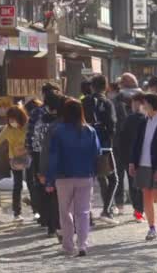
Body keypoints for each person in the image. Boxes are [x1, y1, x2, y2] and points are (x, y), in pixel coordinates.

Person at [46, 99, 101, 257]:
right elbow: (96, 153)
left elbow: (54, 157)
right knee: (83, 212)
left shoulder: (59, 131)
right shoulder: (90, 131)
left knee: (65, 212)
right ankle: (83, 245)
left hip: (63, 176)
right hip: (85, 175)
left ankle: (68, 245)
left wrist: (50, 179)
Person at [129, 94, 157, 241]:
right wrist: (133, 162)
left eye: (146, 104)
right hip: (143, 164)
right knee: (146, 196)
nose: (143, 106)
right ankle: (152, 228)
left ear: (153, 105)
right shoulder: (143, 121)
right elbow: (136, 143)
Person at [82, 75, 119, 224]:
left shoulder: (83, 102)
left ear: (92, 87)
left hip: (85, 145)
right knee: (113, 178)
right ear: (106, 87)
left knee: (88, 180)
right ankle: (106, 210)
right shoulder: (107, 103)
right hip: (103, 146)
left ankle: (88, 215)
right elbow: (112, 125)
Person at [112, 73, 143, 215]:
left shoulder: (116, 99)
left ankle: (119, 205)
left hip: (119, 143)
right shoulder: (142, 97)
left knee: (118, 175)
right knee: (134, 178)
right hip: (137, 144)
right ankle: (138, 210)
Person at [38, 93, 67, 240]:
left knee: (56, 200)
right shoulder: (80, 125)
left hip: (56, 170)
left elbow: (46, 151)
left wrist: (43, 172)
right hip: (77, 171)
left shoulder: (53, 126)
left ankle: (58, 228)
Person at [119, 92, 147, 223]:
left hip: (130, 157)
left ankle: (139, 211)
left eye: (136, 102)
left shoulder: (130, 119)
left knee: (133, 185)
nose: (134, 105)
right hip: (141, 157)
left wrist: (124, 157)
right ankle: (140, 211)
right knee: (140, 186)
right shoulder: (146, 119)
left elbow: (122, 139)